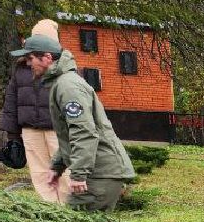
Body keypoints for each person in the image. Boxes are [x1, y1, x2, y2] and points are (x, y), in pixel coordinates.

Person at [10, 31, 134, 211]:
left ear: (47, 57)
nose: (28, 64)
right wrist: (58, 166)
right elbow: (69, 135)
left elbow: (84, 133)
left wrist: (78, 174)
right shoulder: (61, 84)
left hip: (99, 175)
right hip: (98, 174)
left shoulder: (68, 87)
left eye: (30, 59)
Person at [0, 19, 63, 203]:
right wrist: (13, 136)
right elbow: (11, 100)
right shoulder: (21, 67)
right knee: (40, 173)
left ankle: (69, 209)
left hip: (56, 130)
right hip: (30, 130)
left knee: (64, 170)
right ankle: (50, 208)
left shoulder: (65, 67)